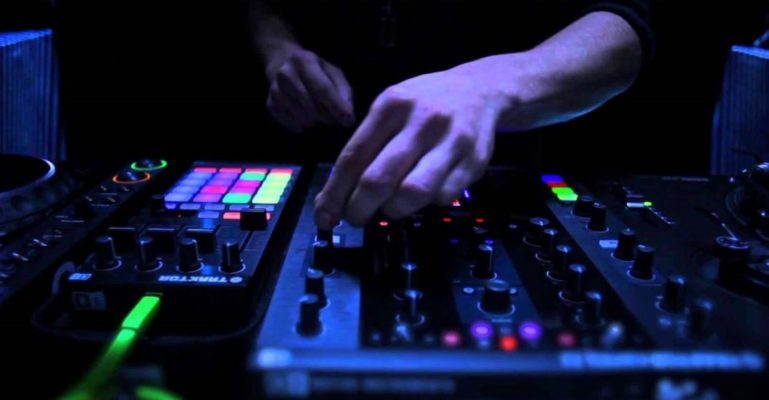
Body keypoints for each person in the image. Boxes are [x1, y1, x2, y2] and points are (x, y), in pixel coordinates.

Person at [250, 0, 653, 229]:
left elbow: (633, 20)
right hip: (315, 159)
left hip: (511, 174)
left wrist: (490, 84)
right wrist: (279, 49)